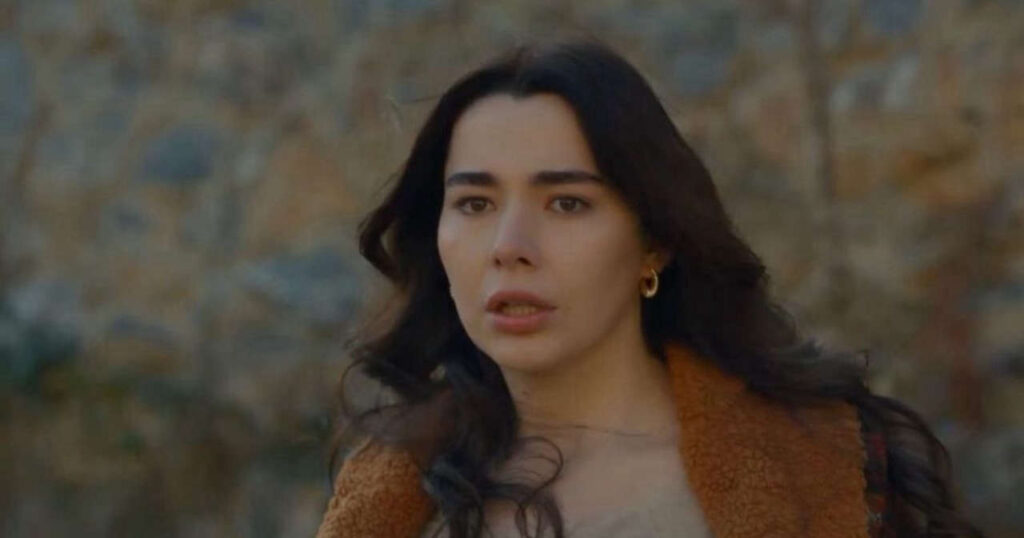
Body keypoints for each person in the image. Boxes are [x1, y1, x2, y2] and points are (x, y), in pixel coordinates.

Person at [315, 37, 983, 538]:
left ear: (654, 241)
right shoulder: (397, 493)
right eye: (475, 204)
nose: (509, 246)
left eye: (567, 203)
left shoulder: (826, 469)